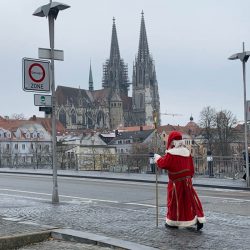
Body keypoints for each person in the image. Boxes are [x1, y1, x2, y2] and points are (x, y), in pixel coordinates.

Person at [154, 131, 205, 231]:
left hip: (175, 184)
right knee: (190, 202)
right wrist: (189, 178)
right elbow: (191, 169)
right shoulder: (187, 153)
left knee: (175, 203)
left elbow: (163, 164)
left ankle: (173, 222)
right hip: (187, 182)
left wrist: (157, 158)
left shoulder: (171, 154)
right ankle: (197, 219)